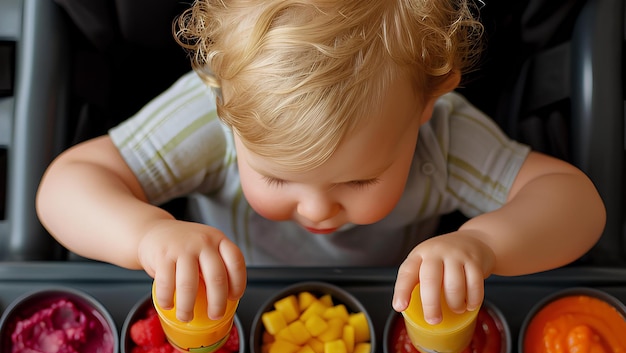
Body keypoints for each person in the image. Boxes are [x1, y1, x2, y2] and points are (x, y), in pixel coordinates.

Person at [36, 0, 606, 326]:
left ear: (427, 107)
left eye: (359, 179)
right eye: (277, 176)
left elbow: (574, 203)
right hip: (239, 306)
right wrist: (148, 236)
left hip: (386, 309)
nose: (317, 207)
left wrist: (485, 245)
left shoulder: (444, 137)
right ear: (221, 101)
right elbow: (66, 187)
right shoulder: (216, 114)